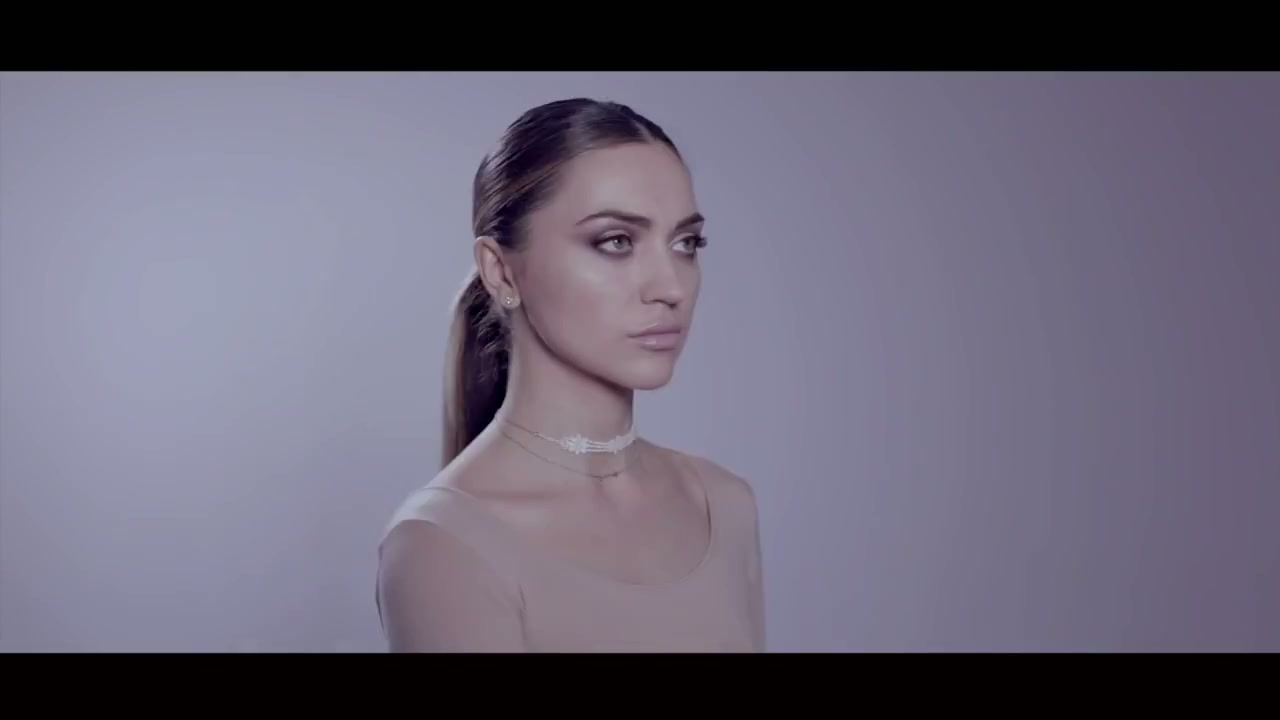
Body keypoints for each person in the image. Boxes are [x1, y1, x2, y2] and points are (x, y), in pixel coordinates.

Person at [375, 97, 766, 652]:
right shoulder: (443, 543)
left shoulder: (724, 505)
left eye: (686, 244)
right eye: (616, 242)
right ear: (500, 271)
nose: (671, 287)